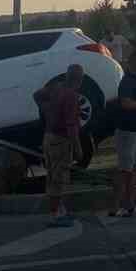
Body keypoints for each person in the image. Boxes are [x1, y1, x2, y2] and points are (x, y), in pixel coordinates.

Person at [37, 63, 83, 227]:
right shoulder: (72, 95)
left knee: (53, 175)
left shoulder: (57, 87)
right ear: (80, 79)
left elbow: (37, 95)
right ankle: (56, 215)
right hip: (60, 140)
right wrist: (78, 148)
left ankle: (60, 211)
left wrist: (46, 112)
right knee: (59, 178)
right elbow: (71, 126)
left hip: (48, 137)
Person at [109, 50, 136, 217]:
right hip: (127, 131)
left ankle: (130, 204)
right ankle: (116, 206)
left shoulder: (135, 81)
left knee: (134, 168)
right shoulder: (127, 81)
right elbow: (126, 104)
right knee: (124, 169)